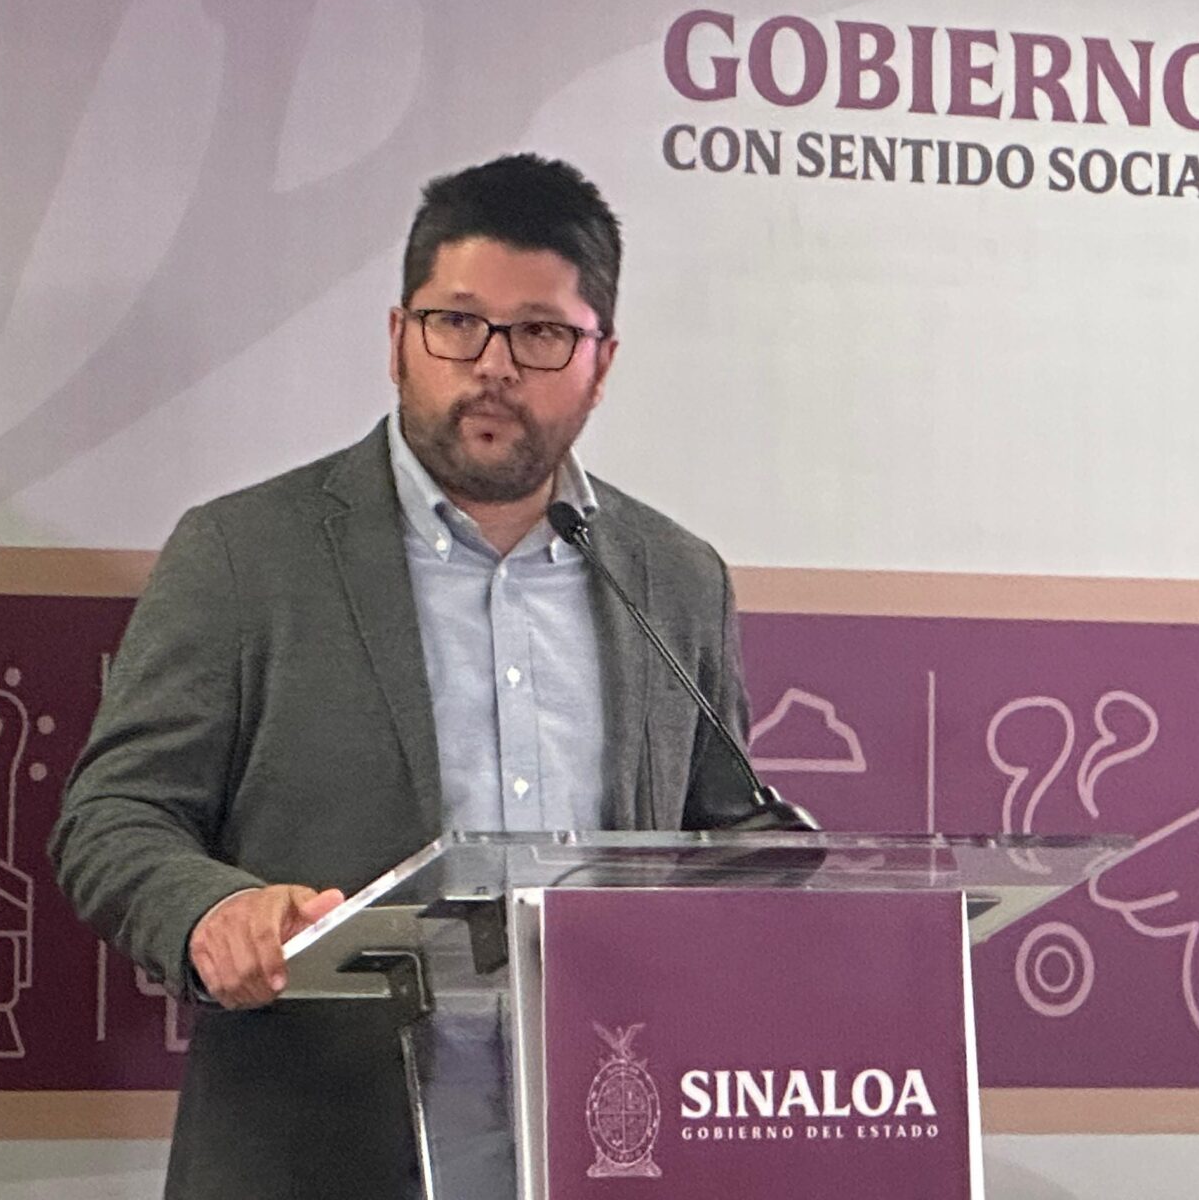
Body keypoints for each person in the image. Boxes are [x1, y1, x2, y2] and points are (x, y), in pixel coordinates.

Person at [50, 153, 761, 1199]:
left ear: (600, 363)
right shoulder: (246, 555)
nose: (494, 366)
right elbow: (113, 817)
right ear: (397, 339)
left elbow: (727, 839)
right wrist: (212, 912)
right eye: (457, 323)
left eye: (541, 333)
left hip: (605, 1147)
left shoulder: (674, 577)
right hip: (320, 1147)